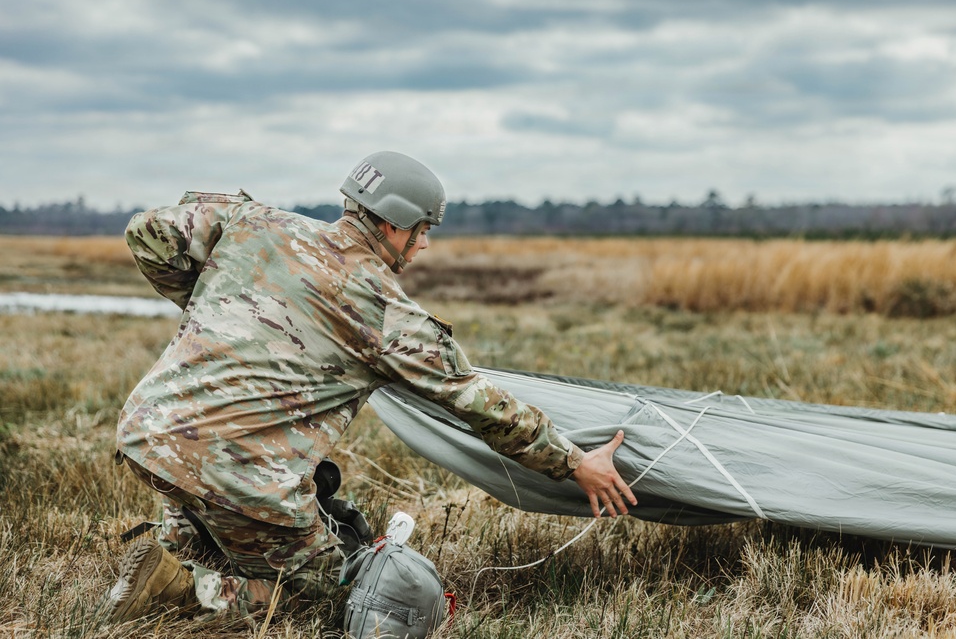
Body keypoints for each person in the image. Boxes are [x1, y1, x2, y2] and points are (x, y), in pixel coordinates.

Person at [104, 150, 638, 622]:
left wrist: (210, 307)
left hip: (147, 433)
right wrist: (574, 463)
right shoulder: (383, 311)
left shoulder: (257, 222)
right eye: (422, 230)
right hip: (235, 471)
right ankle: (182, 592)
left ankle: (178, 544)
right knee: (331, 598)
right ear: (393, 224)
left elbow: (147, 232)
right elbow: (481, 404)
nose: (424, 244)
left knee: (218, 493)